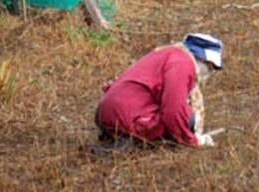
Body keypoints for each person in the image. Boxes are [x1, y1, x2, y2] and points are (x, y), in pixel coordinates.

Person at [95, 33, 223, 150]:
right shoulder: (183, 64)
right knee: (188, 117)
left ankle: (121, 137)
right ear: (201, 58)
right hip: (127, 117)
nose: (209, 71)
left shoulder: (167, 54)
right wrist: (192, 140)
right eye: (210, 66)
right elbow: (173, 109)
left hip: (106, 113)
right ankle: (130, 141)